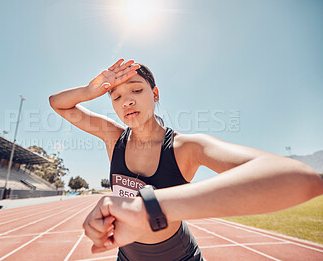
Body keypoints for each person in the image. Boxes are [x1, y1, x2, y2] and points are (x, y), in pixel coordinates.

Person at [49, 59, 323, 261]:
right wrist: (90, 90)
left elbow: (298, 178)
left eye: (136, 91)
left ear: (155, 95)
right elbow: (57, 102)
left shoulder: (186, 147)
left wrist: (148, 209)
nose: (126, 102)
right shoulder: (113, 137)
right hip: (127, 257)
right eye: (116, 96)